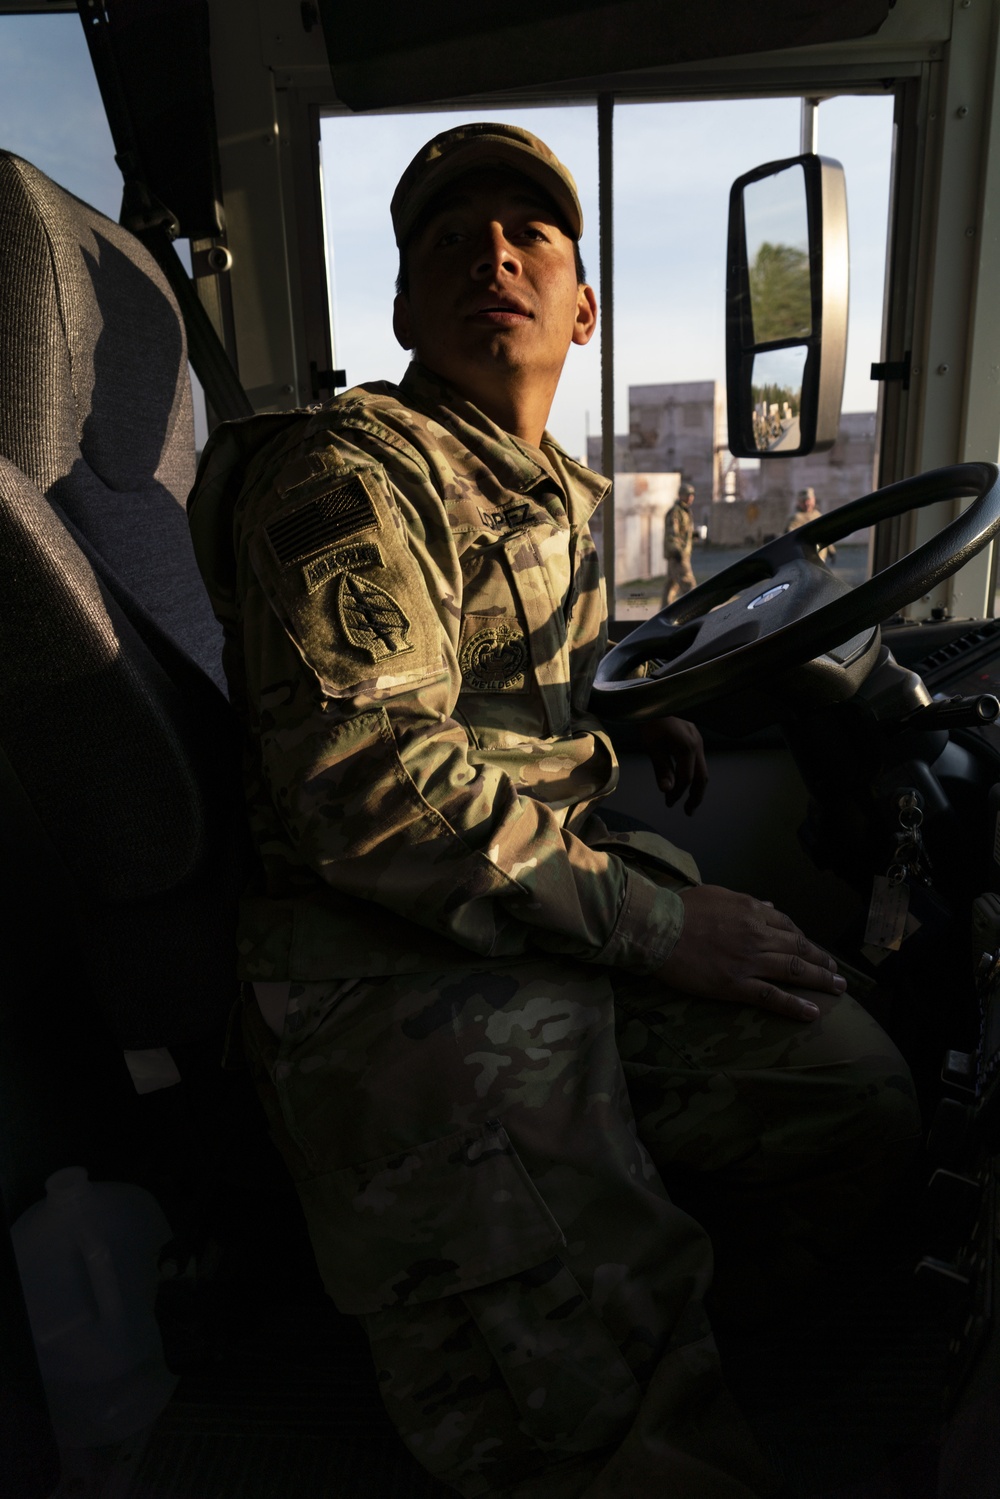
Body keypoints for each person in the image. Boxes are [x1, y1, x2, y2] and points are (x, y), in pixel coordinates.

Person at [187, 123, 921, 1499]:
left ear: (580, 308)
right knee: (608, 1407)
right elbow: (369, 783)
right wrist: (658, 925)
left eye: (528, 235)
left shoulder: (530, 482)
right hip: (379, 960)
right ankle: (585, 1372)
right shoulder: (353, 469)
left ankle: (675, 1320)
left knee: (856, 1098)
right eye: (448, 241)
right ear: (402, 308)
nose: (492, 255)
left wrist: (613, 706)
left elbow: (476, 680)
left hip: (518, 901)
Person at [661, 480, 697, 606]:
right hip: (678, 555)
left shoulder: (685, 511)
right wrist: (677, 551)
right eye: (688, 494)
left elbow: (684, 532)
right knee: (689, 585)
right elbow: (672, 534)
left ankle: (663, 614)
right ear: (681, 495)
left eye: (692, 495)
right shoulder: (676, 512)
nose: (690, 497)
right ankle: (694, 611)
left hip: (682, 553)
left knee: (671, 586)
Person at [786, 486, 835, 563]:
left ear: (813, 500)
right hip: (805, 557)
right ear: (799, 503)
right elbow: (791, 535)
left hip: (820, 556)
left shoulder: (817, 515)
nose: (807, 503)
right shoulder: (796, 517)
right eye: (803, 501)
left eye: (808, 500)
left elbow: (825, 534)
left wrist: (831, 551)